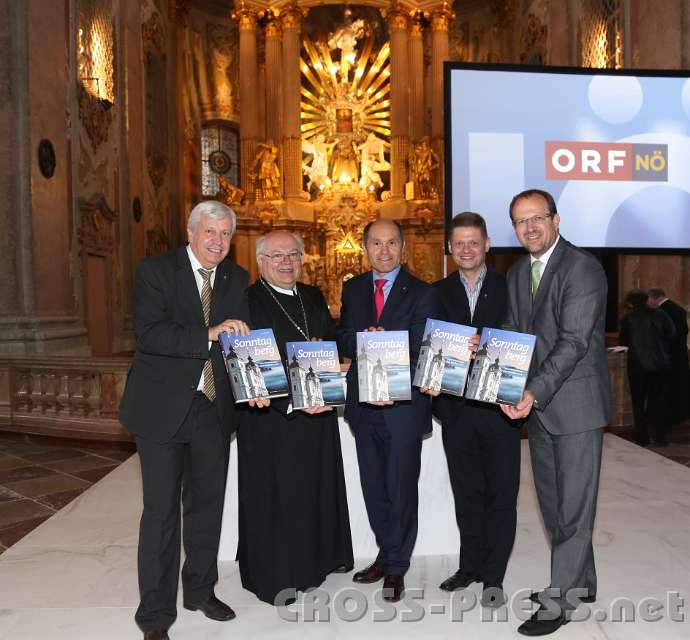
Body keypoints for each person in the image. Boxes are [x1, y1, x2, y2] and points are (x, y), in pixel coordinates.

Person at [119, 201, 251, 640]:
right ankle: (155, 616)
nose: (217, 242)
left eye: (225, 235)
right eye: (210, 232)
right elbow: (150, 333)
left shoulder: (237, 278)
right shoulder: (156, 271)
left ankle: (199, 590)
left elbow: (243, 342)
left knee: (207, 507)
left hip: (214, 410)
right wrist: (209, 334)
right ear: (191, 233)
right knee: (160, 513)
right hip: (161, 410)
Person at [501, 189, 611, 636]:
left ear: (556, 219)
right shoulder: (514, 274)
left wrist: (531, 391)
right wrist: (488, 357)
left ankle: (560, 598)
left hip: (575, 406)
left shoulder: (583, 268)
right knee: (553, 504)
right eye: (520, 222)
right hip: (540, 407)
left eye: (537, 218)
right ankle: (581, 581)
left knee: (575, 505)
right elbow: (513, 331)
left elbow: (573, 343)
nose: (529, 228)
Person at [237, 230, 354, 605]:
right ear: (260, 262)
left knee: (314, 489)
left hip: (316, 414)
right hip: (272, 419)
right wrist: (288, 402)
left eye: (293, 255)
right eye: (277, 256)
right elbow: (247, 362)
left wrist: (329, 353)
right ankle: (277, 576)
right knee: (278, 496)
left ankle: (315, 563)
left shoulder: (312, 295)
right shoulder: (246, 300)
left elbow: (330, 340)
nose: (286, 262)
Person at [336, 219, 438, 602]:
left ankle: (397, 567)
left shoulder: (423, 292)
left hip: (403, 407)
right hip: (364, 404)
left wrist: (387, 344)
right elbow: (343, 334)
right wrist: (363, 338)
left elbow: (422, 342)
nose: (384, 251)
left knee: (401, 487)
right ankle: (384, 553)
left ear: (403, 247)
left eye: (391, 243)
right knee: (374, 486)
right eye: (376, 243)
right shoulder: (352, 288)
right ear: (365, 247)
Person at [426, 212, 520, 608]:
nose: (466, 249)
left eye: (473, 242)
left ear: (487, 245)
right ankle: (470, 566)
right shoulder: (436, 291)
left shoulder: (511, 286)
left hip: (500, 409)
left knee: (501, 494)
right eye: (459, 243)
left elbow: (524, 337)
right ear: (449, 248)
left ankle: (494, 576)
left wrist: (489, 343)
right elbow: (427, 344)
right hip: (455, 410)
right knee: (467, 493)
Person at [620, 289, 675, 446]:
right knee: (659, 401)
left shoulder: (627, 318)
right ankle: (660, 437)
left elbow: (623, 340)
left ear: (631, 303)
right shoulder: (661, 314)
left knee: (638, 402)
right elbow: (671, 334)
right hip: (660, 365)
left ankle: (641, 437)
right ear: (646, 300)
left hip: (637, 366)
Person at [647, 287, 689, 425]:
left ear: (654, 298)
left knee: (668, 390)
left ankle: (669, 418)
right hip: (681, 353)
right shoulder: (678, 309)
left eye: (649, 300)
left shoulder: (662, 312)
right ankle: (681, 415)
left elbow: (663, 335)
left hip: (668, 355)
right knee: (680, 386)